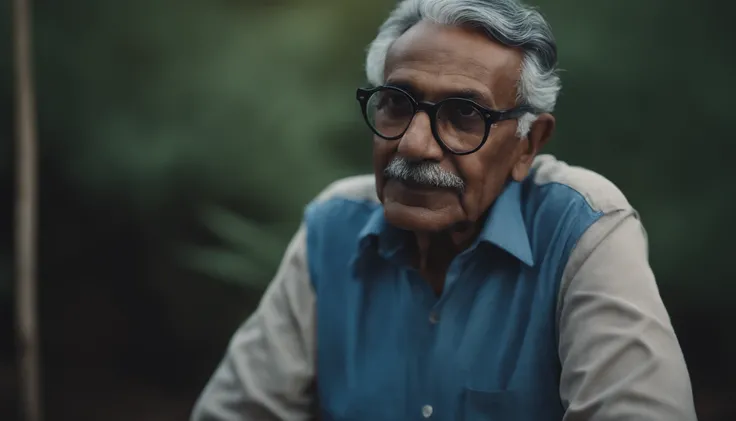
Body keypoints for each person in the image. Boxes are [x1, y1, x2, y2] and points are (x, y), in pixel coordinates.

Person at [191, 0, 697, 419]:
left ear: (528, 144)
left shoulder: (581, 229)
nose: (413, 145)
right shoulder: (334, 227)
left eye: (463, 115)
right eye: (396, 102)